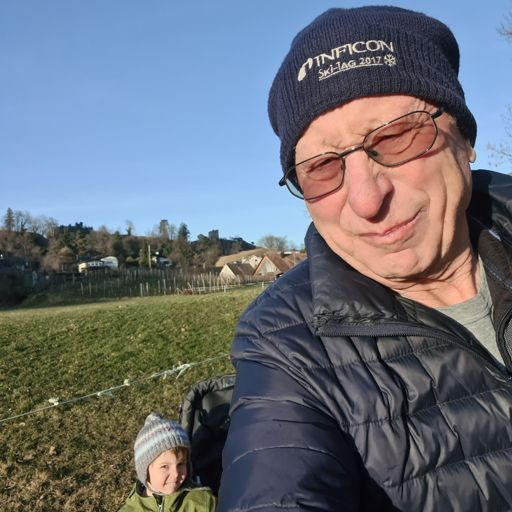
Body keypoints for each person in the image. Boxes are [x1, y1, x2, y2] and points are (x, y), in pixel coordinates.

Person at [218, 6, 512, 512]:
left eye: (395, 136)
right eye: (321, 168)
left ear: (465, 138)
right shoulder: (285, 343)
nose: (366, 199)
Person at [119, 412, 217, 512]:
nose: (176, 474)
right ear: (145, 471)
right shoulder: (131, 509)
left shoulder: (202, 502)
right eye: (165, 466)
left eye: (180, 464)